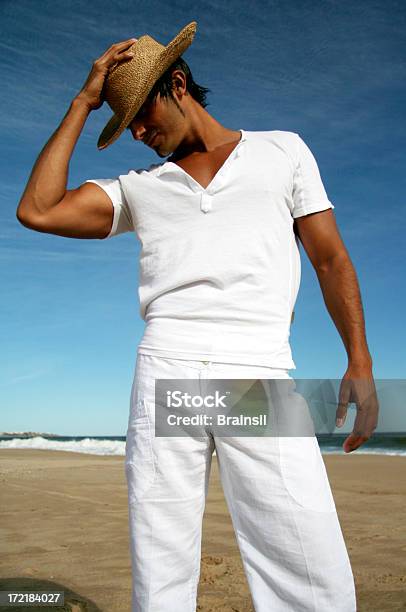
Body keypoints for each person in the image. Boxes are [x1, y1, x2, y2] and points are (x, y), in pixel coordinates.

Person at [17, 22, 379, 612]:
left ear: (177, 83)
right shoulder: (139, 188)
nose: (136, 132)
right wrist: (84, 101)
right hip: (166, 367)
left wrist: (358, 357)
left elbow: (331, 258)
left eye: (138, 113)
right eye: (125, 121)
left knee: (307, 558)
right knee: (161, 566)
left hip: (256, 372)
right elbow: (36, 209)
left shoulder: (282, 150)